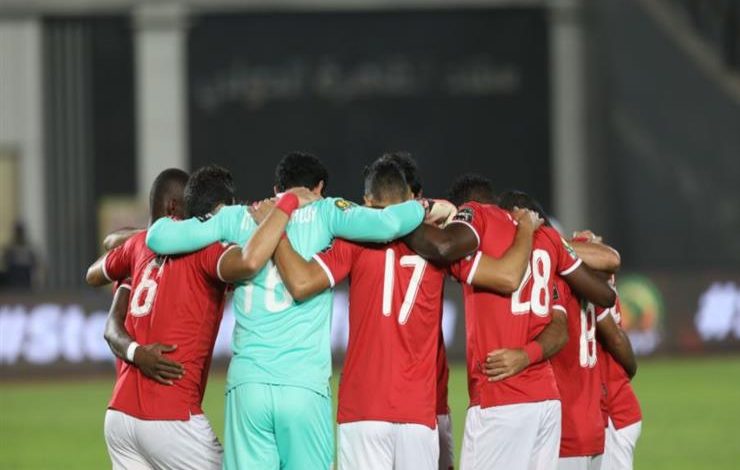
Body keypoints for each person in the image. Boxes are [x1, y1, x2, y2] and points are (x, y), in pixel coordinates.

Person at [144, 152, 428, 469]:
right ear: (317, 188)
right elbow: (388, 224)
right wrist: (424, 206)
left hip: (249, 386)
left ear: (276, 188)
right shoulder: (327, 211)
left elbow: (158, 237)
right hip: (303, 387)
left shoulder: (239, 217)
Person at [86, 166, 317, 469]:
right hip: (170, 415)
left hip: (120, 418)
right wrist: (281, 213)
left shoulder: (139, 245)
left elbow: (95, 270)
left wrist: (132, 263)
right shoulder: (206, 251)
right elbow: (249, 262)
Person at [405, 180, 616, 470]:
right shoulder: (548, 240)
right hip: (546, 401)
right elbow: (602, 298)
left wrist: (401, 218)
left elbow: (450, 250)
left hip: (500, 396)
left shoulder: (479, 227)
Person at [550, 234, 636, 470]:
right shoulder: (593, 281)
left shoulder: (567, 283)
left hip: (605, 411)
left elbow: (615, 339)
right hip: (600, 413)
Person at [598, 281, 642, 470]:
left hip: (612, 412)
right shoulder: (597, 280)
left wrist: (628, 372)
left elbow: (615, 339)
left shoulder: (587, 284)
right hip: (613, 402)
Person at [2, 222, 38, 289]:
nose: (19, 235)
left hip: (25, 276)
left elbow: (34, 262)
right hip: (14, 275)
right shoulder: (10, 247)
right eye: (17, 232)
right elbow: (6, 261)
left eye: (20, 232)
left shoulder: (28, 247)